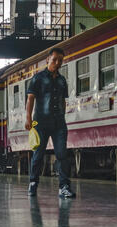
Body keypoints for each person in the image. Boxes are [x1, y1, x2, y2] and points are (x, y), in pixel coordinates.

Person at [25, 47, 75, 198]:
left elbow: (63, 101)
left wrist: (63, 117)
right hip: (41, 122)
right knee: (38, 155)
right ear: (48, 60)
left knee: (62, 155)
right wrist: (28, 118)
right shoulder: (38, 78)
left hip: (59, 123)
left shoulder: (62, 80)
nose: (57, 63)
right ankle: (33, 183)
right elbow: (30, 99)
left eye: (60, 60)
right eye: (55, 60)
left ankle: (64, 187)